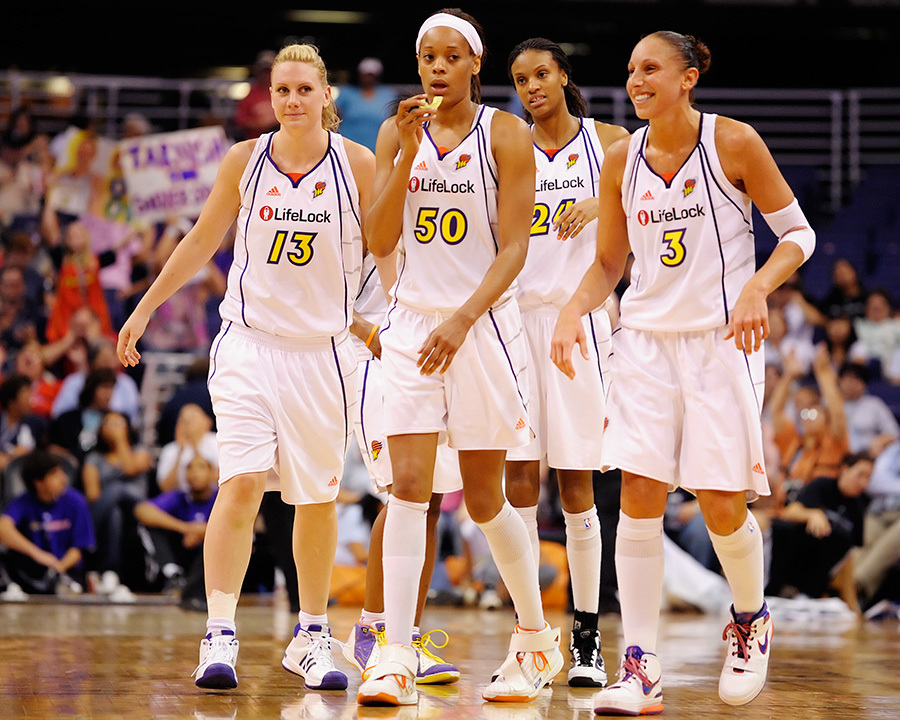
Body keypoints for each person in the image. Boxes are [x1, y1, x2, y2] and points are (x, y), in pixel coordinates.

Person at [551, 31, 816, 712]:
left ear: (688, 77)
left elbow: (798, 235)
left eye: (651, 69)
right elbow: (610, 264)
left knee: (720, 501)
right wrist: (571, 313)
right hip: (642, 342)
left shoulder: (734, 142)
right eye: (631, 71)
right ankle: (640, 665)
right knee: (638, 495)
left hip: (718, 342)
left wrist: (758, 287)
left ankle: (752, 620)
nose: (636, 81)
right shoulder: (620, 159)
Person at [116, 43, 373, 692]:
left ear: (325, 97)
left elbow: (387, 249)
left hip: (325, 353)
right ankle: (220, 632)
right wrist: (144, 310)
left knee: (316, 498)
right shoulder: (245, 159)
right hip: (249, 346)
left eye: (302, 89)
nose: (291, 100)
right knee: (242, 481)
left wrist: (387, 324)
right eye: (281, 90)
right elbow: (202, 238)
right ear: (270, 97)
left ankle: (311, 635)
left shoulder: (357, 165)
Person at [357, 9, 563, 707]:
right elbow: (380, 239)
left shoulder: (506, 133)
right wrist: (408, 153)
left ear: (475, 64)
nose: (436, 67)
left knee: (483, 500)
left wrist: (465, 318)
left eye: (450, 56)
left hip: (480, 326)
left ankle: (535, 636)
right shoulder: (396, 132)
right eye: (425, 57)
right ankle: (394, 652)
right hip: (413, 324)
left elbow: (515, 248)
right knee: (408, 486)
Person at [504, 37, 628, 688]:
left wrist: (608, 205)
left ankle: (586, 636)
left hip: (578, 321)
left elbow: (657, 203)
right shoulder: (506, 148)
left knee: (576, 485)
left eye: (542, 74)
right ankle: (529, 633)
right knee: (519, 481)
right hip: (517, 319)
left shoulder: (608, 141)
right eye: (521, 78)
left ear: (563, 75)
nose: (533, 86)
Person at [341, 249, 463, 686]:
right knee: (403, 497)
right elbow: (326, 280)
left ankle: (405, 635)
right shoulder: (364, 185)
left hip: (428, 346)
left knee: (429, 500)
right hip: (376, 353)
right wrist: (362, 328)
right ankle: (371, 629)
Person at [767, 452, 872, 613]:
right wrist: (812, 514)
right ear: (844, 470)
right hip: (790, 557)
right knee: (783, 529)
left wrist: (852, 604)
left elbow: (849, 558)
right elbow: (789, 513)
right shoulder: (822, 485)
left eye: (868, 478)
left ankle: (808, 595)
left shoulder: (858, 508)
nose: (863, 483)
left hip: (817, 574)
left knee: (841, 539)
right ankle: (770, 589)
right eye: (860, 475)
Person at [0, 449, 95, 595]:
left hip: (68, 572)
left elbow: (79, 548)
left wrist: (58, 567)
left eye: (62, 472)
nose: (63, 479)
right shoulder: (24, 502)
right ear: (38, 483)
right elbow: (3, 528)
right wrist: (37, 553)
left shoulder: (75, 500)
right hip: (34, 574)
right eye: (55, 475)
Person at [135, 451, 218, 610]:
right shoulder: (179, 496)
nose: (194, 473)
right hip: (181, 551)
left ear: (212, 473)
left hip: (207, 557)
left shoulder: (220, 496)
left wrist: (203, 532)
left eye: (201, 468)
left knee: (224, 539)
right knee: (150, 526)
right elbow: (142, 510)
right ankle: (173, 575)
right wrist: (185, 528)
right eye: (190, 469)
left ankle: (208, 589)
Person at [334, 57, 397, 152]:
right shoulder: (346, 93)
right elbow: (333, 117)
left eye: (371, 75)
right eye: (365, 74)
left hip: (379, 151)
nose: (368, 78)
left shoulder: (388, 94)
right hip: (348, 151)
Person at [838, 362, 900, 458]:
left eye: (855, 380)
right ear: (839, 381)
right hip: (836, 454)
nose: (850, 385)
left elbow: (894, 433)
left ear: (864, 384)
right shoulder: (829, 404)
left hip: (867, 455)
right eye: (846, 380)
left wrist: (881, 440)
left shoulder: (874, 404)